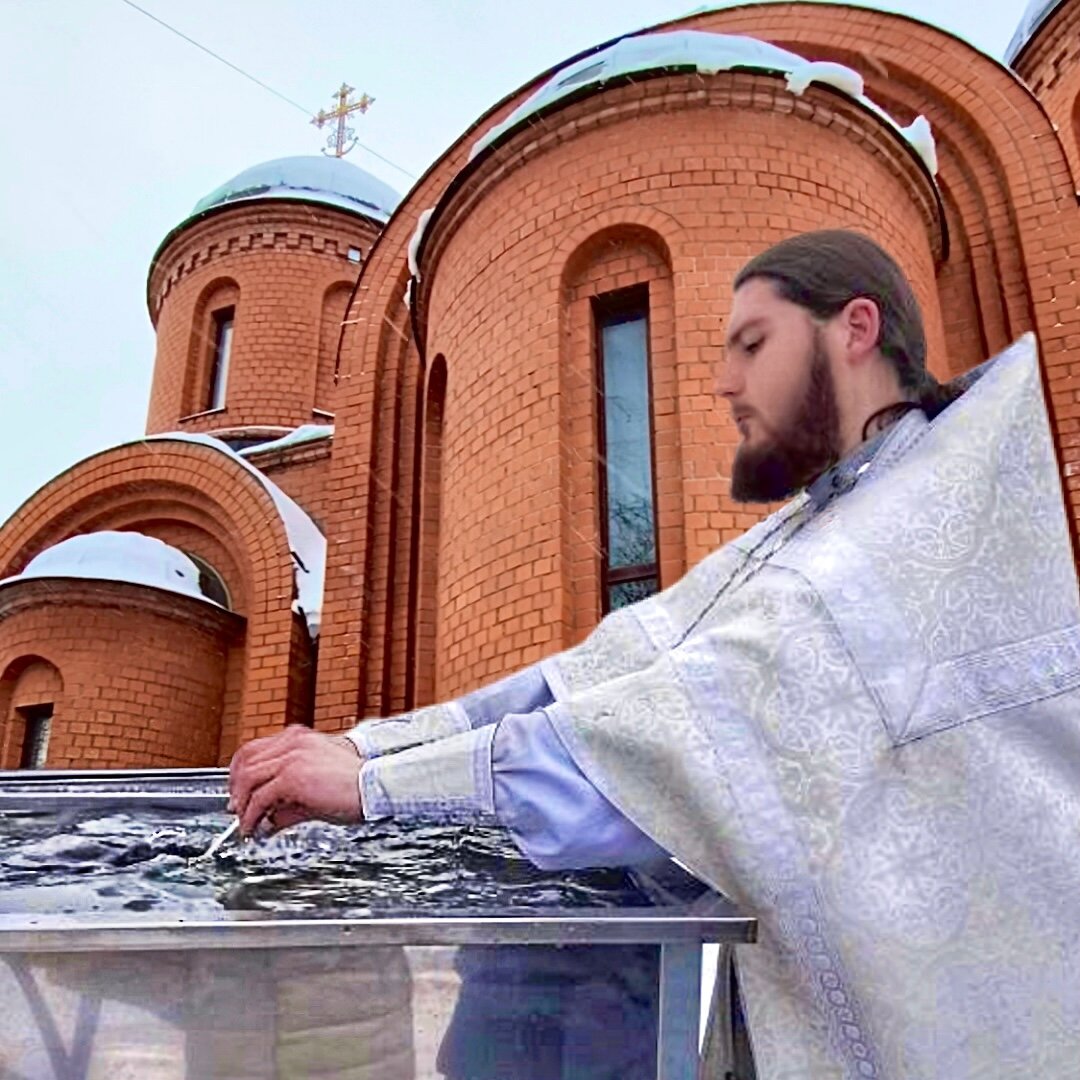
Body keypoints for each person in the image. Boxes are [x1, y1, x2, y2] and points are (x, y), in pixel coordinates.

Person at [230, 230, 1080, 1079]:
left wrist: (375, 788)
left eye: (754, 344)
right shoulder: (820, 520)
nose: (723, 383)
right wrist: (368, 747)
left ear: (855, 330)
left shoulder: (914, 527)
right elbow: (608, 672)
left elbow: (675, 738)